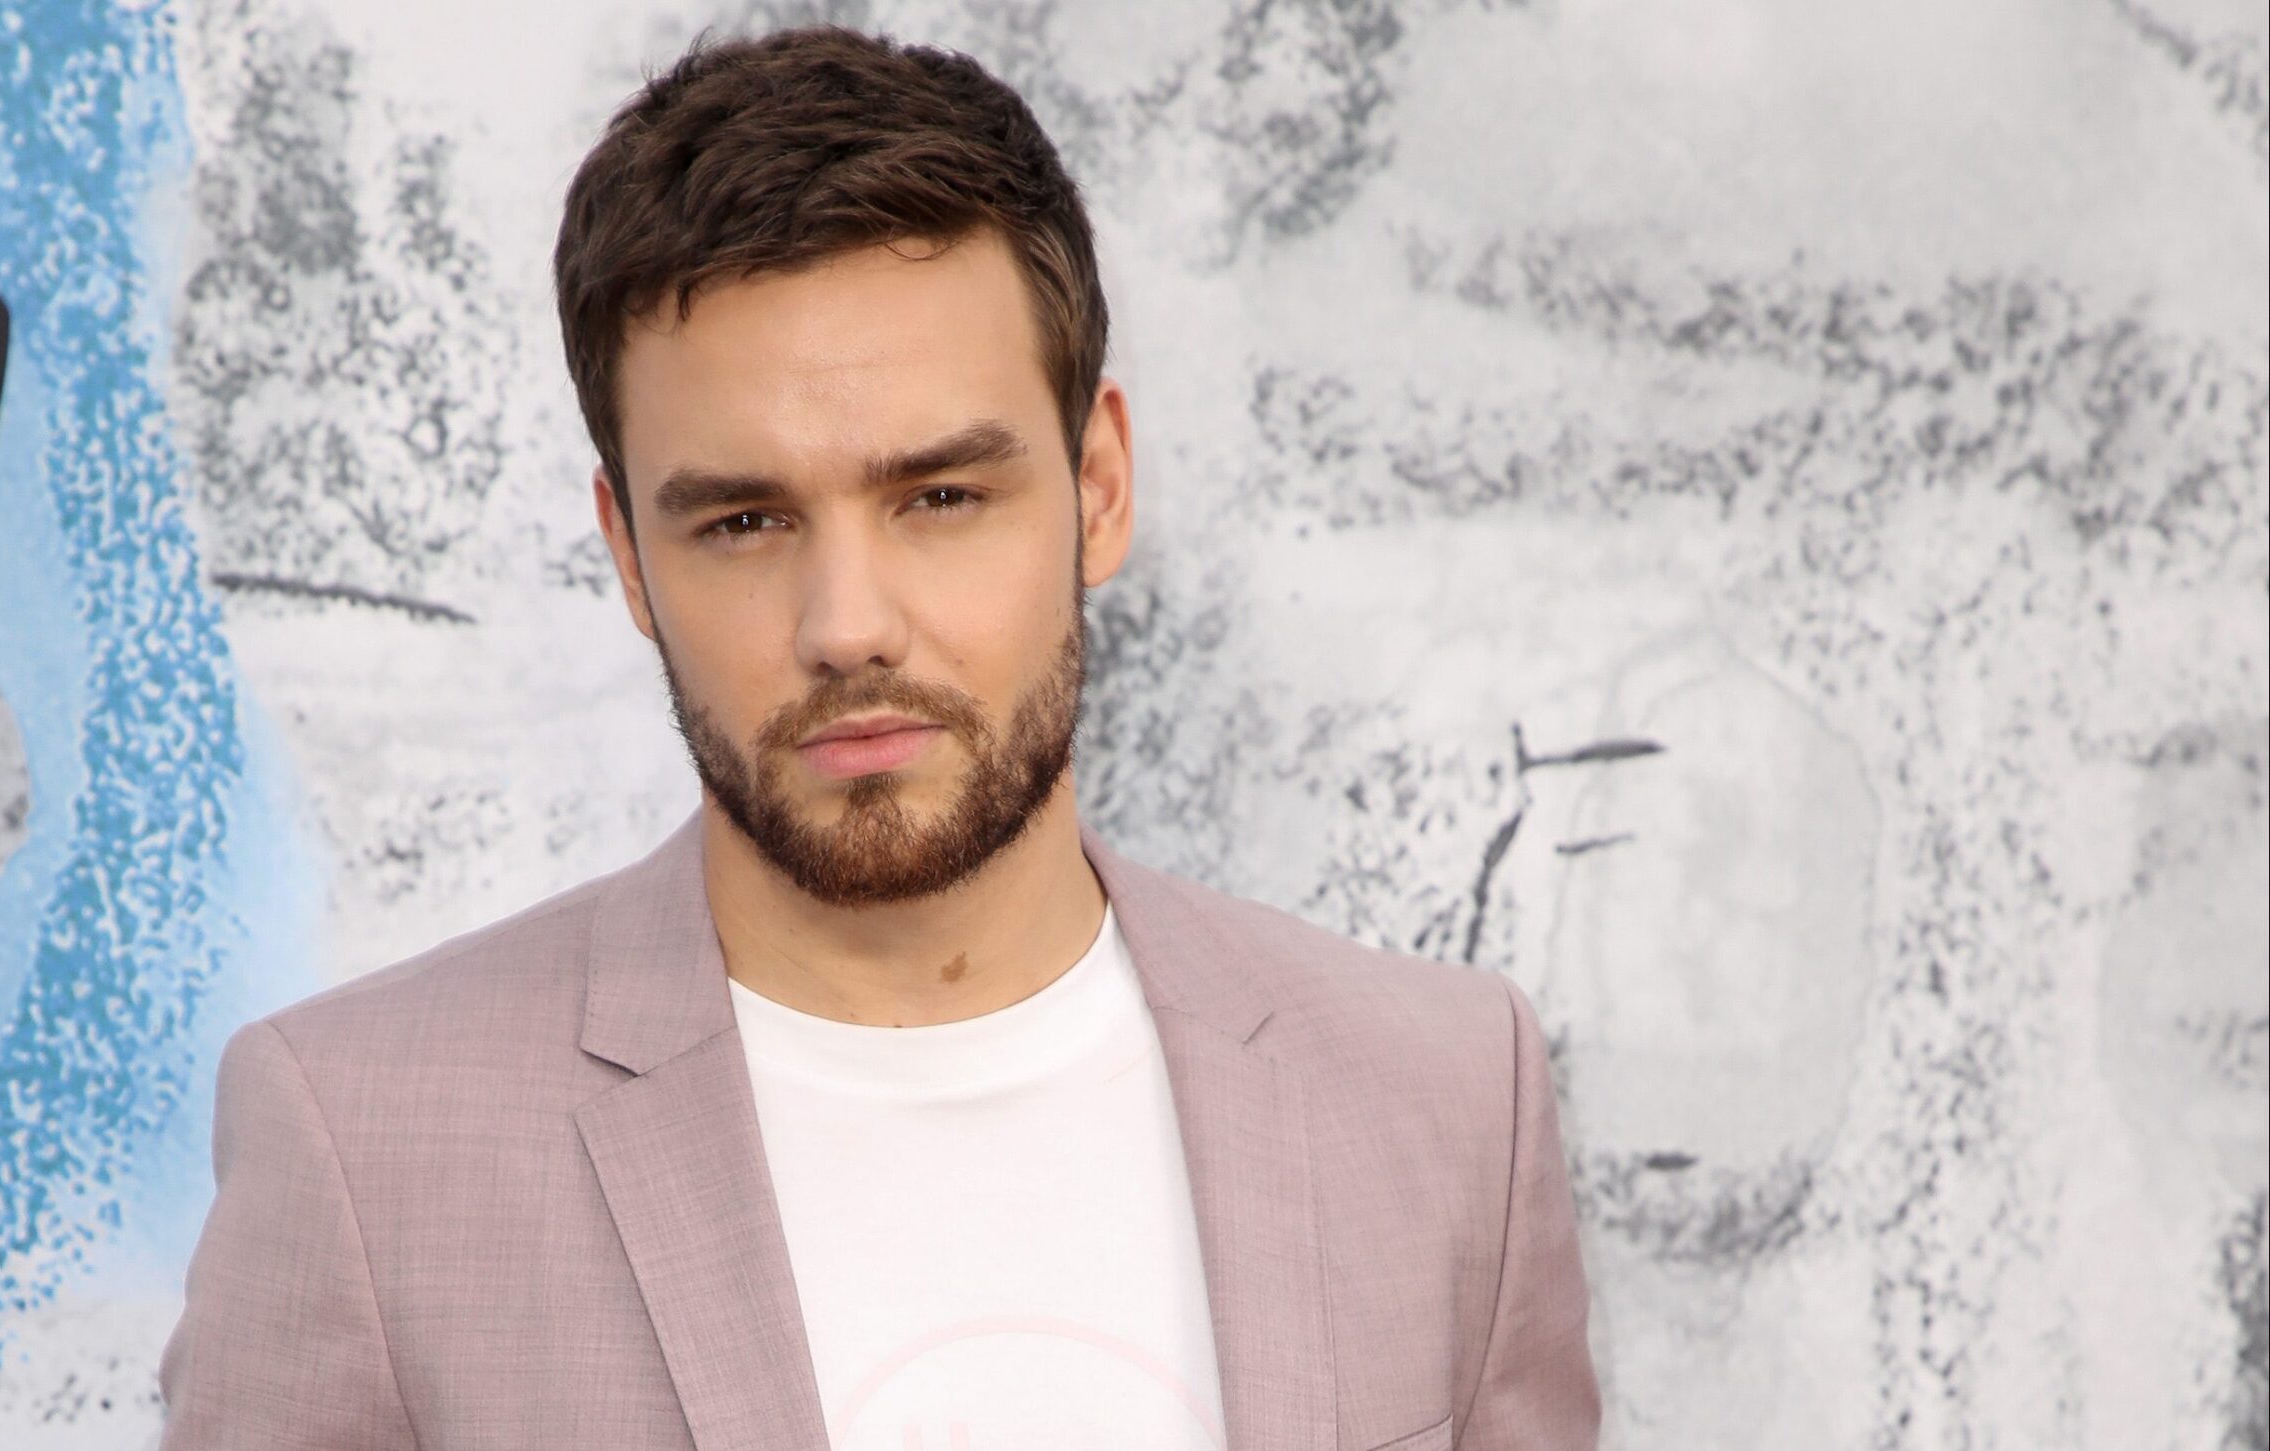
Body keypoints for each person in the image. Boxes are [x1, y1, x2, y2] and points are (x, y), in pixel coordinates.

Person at [156, 23, 1599, 1451]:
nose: (847, 626)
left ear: (1099, 487)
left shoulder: (1447, 1098)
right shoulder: (362, 1150)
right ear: (629, 555)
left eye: (941, 498)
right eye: (744, 522)